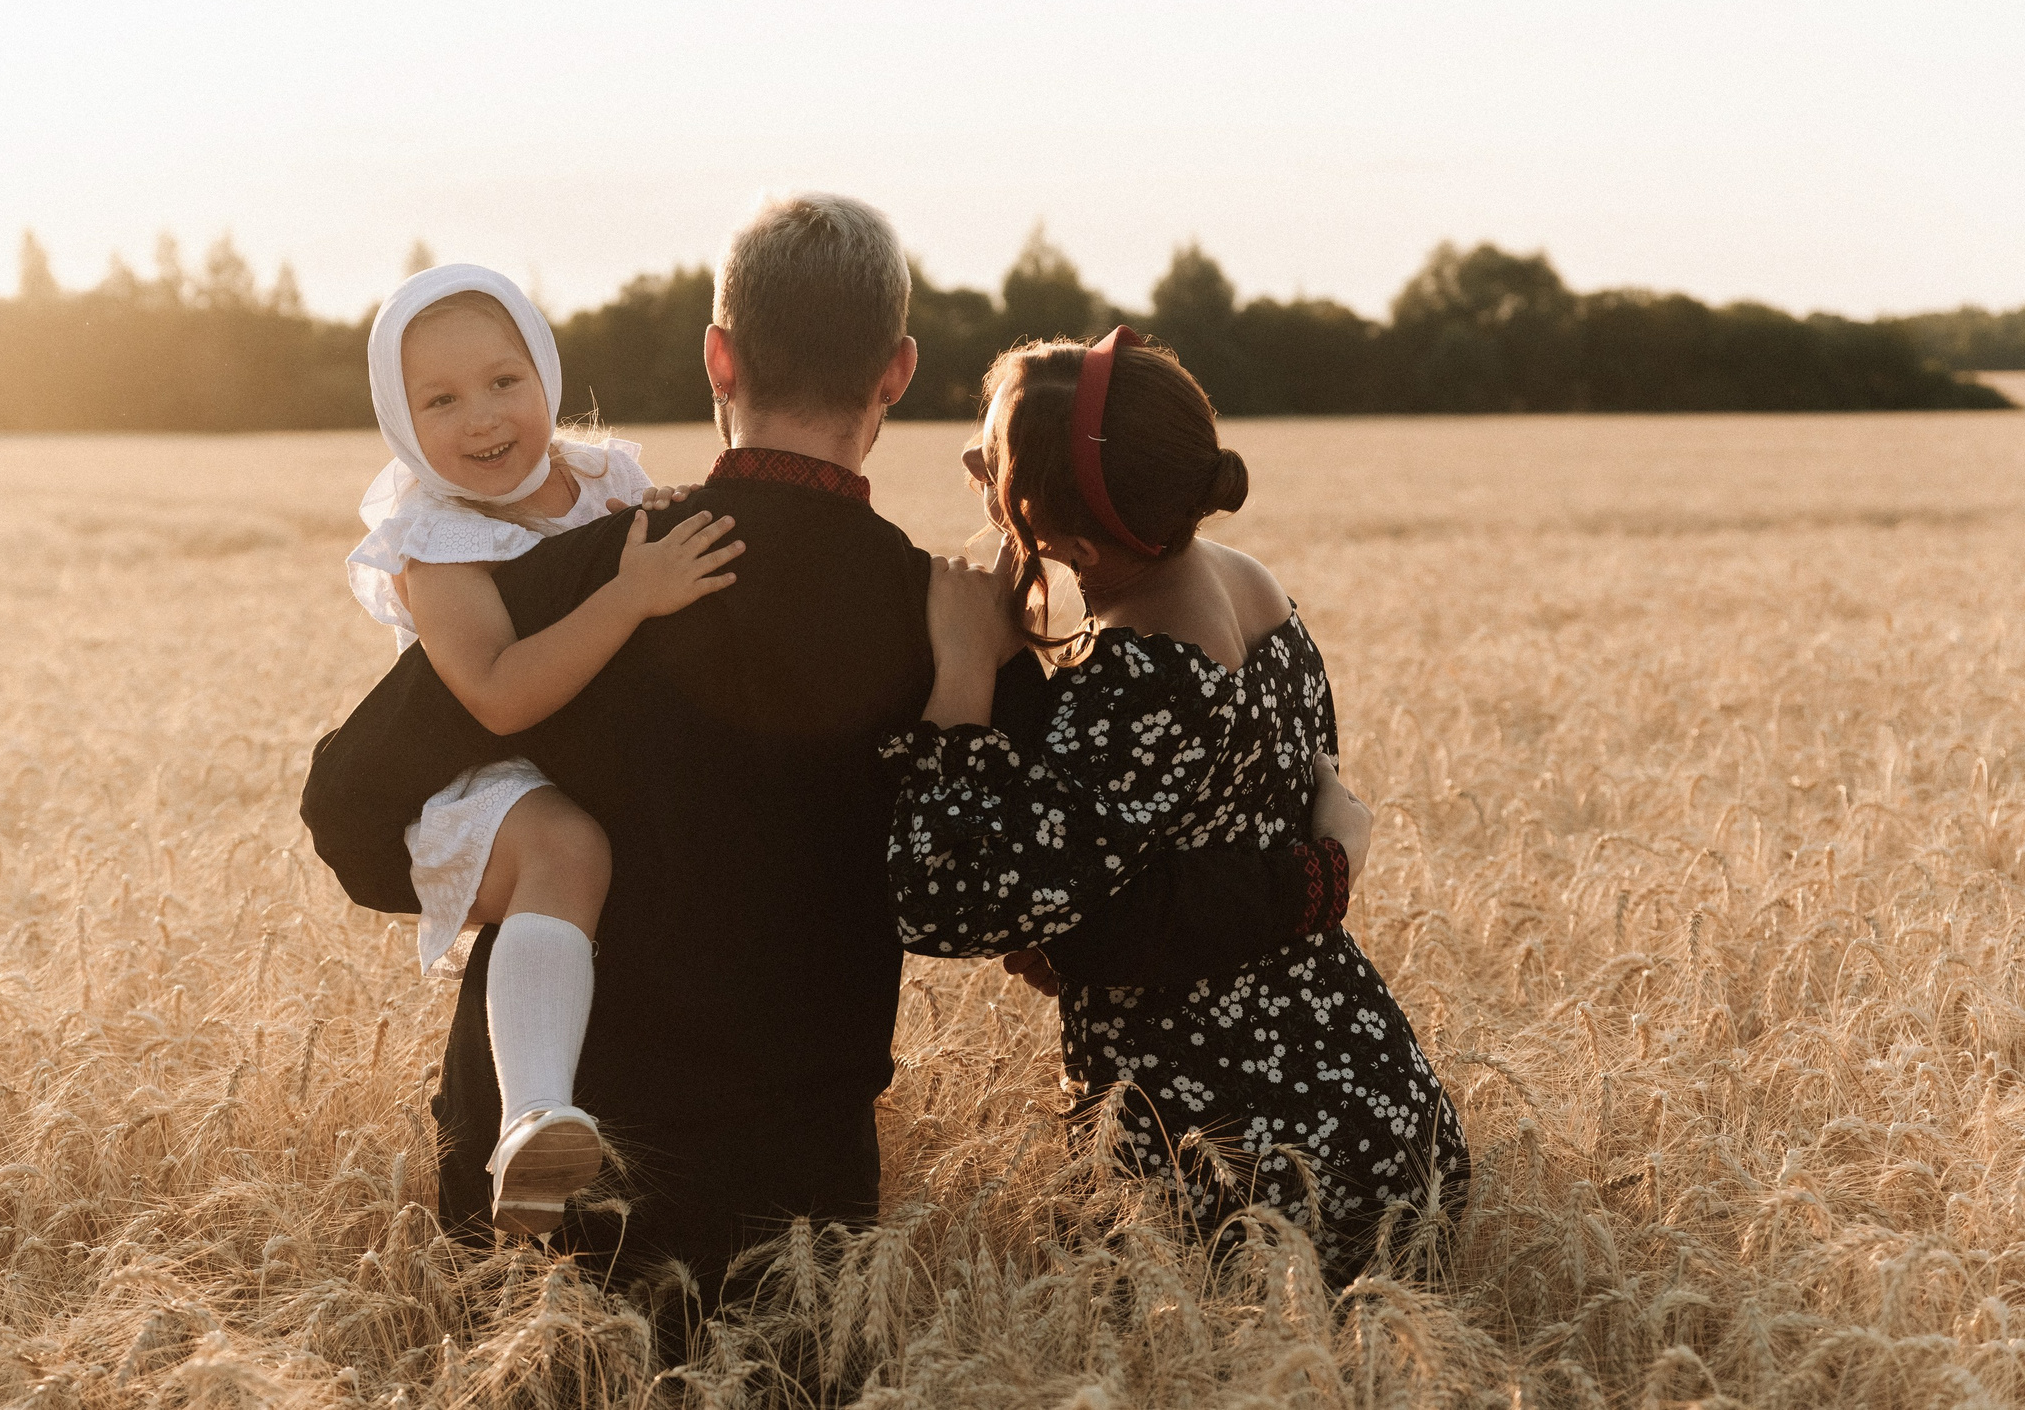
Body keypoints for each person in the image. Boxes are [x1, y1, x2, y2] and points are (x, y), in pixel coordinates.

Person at [301, 196, 1361, 1320]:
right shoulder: (940, 623)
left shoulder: (586, 574)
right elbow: (1093, 912)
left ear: (717, 356)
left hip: (534, 1182)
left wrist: (525, 874)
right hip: (791, 1197)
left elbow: (349, 811)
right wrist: (1313, 868)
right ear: (896, 373)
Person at [883, 328, 1467, 1286]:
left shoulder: (1142, 677)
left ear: (1072, 542)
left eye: (987, 461)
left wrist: (958, 669)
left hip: (1238, 1164)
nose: (966, 465)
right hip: (1383, 1111)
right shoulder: (1253, 587)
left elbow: (943, 897)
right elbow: (1186, 852)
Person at [346, 263, 742, 1233]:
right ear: (399, 420)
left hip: (603, 755)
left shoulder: (603, 480)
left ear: (545, 371)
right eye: (438, 399)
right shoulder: (433, 541)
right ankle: (532, 1122)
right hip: (489, 784)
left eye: (502, 382)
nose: (480, 417)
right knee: (569, 850)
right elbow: (496, 695)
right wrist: (628, 593)